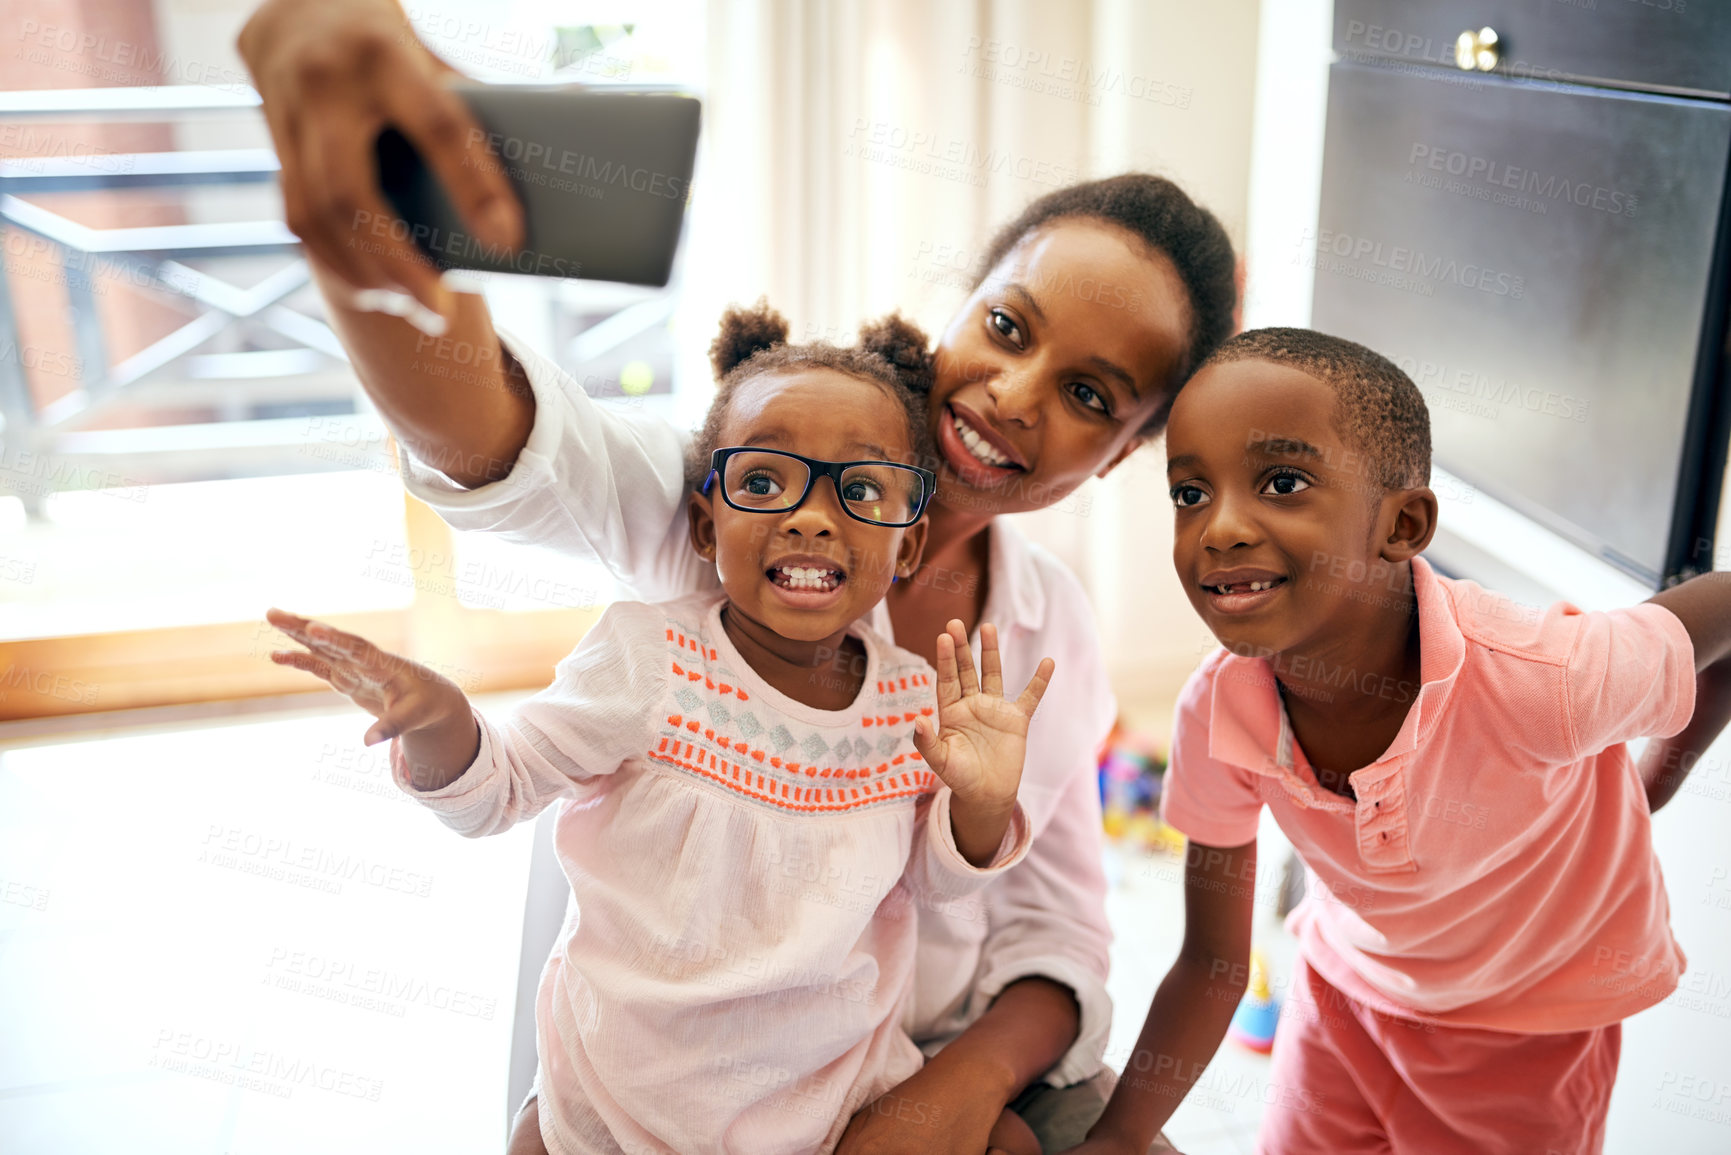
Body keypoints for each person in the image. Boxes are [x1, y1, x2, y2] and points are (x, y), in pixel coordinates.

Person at [236, 5, 1235, 1148]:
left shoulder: (1050, 624)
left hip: (921, 1062)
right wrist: (371, 259)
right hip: (675, 1093)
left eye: (1093, 397)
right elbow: (494, 443)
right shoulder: (724, 498)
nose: (1017, 393)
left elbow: (1056, 919)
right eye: (1007, 326)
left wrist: (950, 1097)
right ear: (960, 304)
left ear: (1126, 455)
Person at [266, 305, 1058, 1155]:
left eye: (860, 490)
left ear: (908, 544)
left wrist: (979, 801)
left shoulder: (913, 701)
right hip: (627, 1095)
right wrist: (441, 722)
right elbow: (497, 792)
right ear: (705, 520)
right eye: (762, 482)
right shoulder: (650, 658)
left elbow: (933, 886)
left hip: (835, 1087)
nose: (811, 517)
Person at [1063, 328, 1731, 1155]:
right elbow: (1211, 962)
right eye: (1190, 492)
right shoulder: (1217, 710)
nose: (1219, 527)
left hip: (1528, 1034)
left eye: (1281, 481)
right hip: (1344, 995)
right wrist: (1121, 1135)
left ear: (1403, 523)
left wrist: (1655, 777)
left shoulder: (1550, 677)